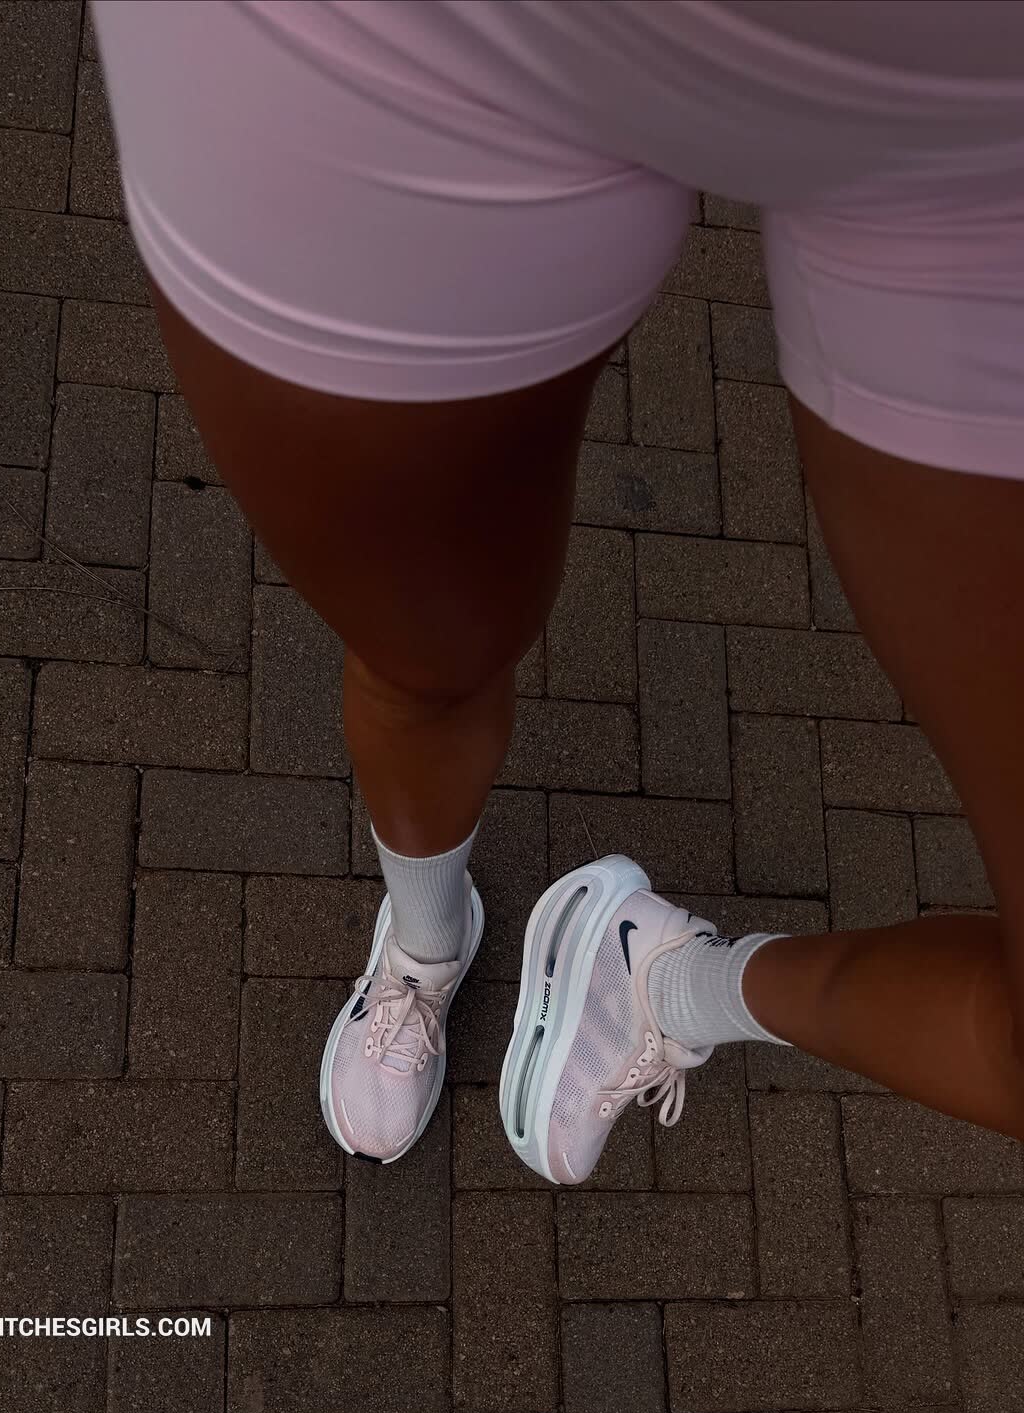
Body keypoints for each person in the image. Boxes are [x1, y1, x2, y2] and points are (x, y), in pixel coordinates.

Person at [94, 0, 1024, 1178]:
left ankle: (662, 982)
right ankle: (426, 945)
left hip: (986, 122)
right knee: (429, 652)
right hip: (425, 32)